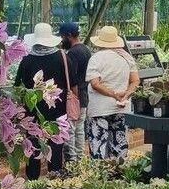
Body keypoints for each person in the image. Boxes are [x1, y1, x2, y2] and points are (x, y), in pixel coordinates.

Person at [15, 22, 77, 179]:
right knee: (56, 149)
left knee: (33, 149)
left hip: (33, 114)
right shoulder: (63, 58)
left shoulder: (26, 60)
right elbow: (73, 85)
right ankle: (53, 186)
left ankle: (33, 186)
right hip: (58, 114)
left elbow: (18, 88)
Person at [85, 25, 140, 160]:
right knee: (119, 145)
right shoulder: (127, 58)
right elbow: (135, 81)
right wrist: (125, 95)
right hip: (121, 106)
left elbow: (95, 84)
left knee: (98, 146)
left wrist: (113, 94)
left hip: (99, 109)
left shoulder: (96, 58)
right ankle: (118, 176)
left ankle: (99, 177)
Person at [59, 22, 91, 162]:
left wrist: (74, 97)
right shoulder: (86, 49)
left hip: (75, 96)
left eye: (62, 37)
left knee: (70, 130)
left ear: (69, 36)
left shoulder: (72, 53)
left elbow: (72, 79)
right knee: (79, 130)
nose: (61, 40)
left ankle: (71, 161)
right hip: (84, 96)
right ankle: (80, 159)